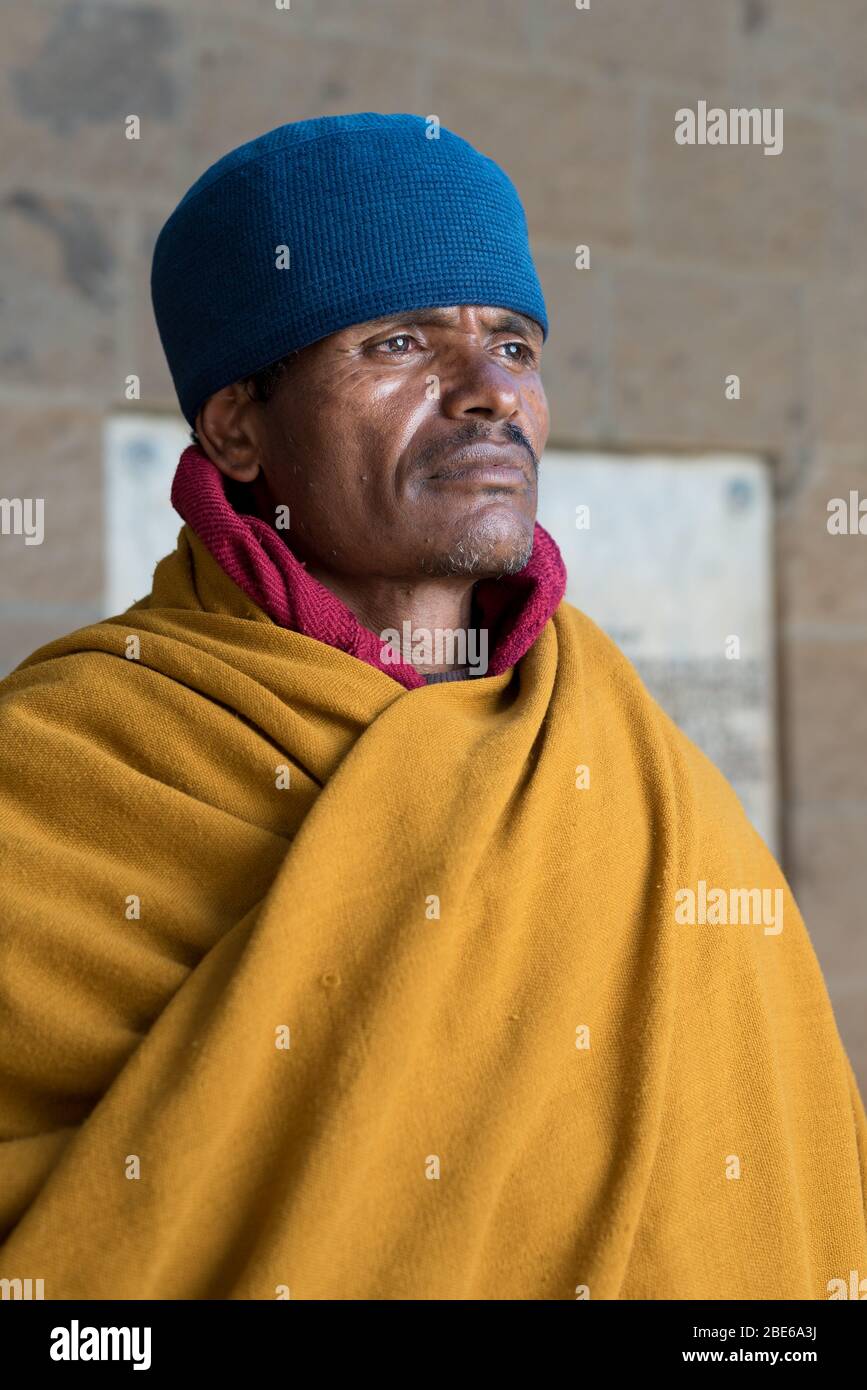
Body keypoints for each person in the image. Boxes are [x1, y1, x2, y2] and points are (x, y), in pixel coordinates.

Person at [0, 113, 865, 1301]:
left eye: (513, 344)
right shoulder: (68, 760)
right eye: (400, 340)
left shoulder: (637, 774)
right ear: (238, 426)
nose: (486, 394)